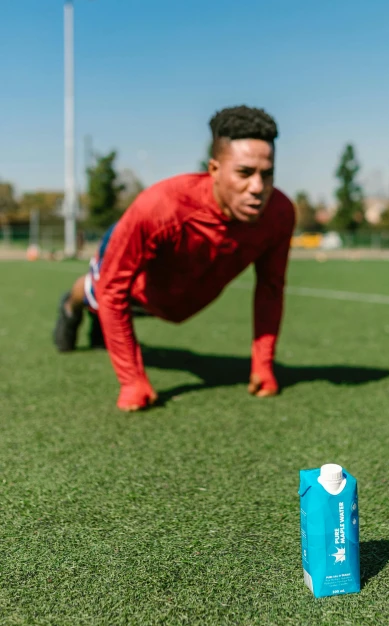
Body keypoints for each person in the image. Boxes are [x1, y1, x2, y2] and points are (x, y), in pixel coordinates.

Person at [52, 105, 295, 411]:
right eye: (244, 173)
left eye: (267, 174)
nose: (258, 188)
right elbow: (112, 289)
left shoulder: (280, 213)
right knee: (98, 291)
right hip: (131, 263)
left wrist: (263, 364)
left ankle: (101, 319)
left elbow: (270, 288)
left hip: (177, 293)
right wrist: (132, 380)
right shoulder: (160, 207)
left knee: (161, 301)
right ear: (214, 170)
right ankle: (71, 305)